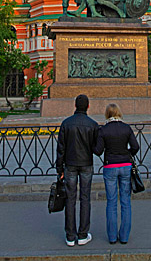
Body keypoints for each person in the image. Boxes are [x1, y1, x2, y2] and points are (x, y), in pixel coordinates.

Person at [56, 94, 99, 247]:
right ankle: (82, 235)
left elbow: (61, 148)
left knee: (70, 199)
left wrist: (59, 168)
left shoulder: (66, 123)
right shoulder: (92, 124)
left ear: (75, 105)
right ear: (88, 106)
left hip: (70, 164)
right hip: (86, 164)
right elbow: (97, 148)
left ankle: (70, 236)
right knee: (85, 198)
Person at [94, 103, 139, 245]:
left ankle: (112, 237)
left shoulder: (104, 129)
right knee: (126, 202)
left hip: (110, 165)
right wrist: (127, 154)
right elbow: (135, 146)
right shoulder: (126, 128)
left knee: (111, 202)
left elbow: (98, 151)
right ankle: (124, 237)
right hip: (125, 165)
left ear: (107, 114)